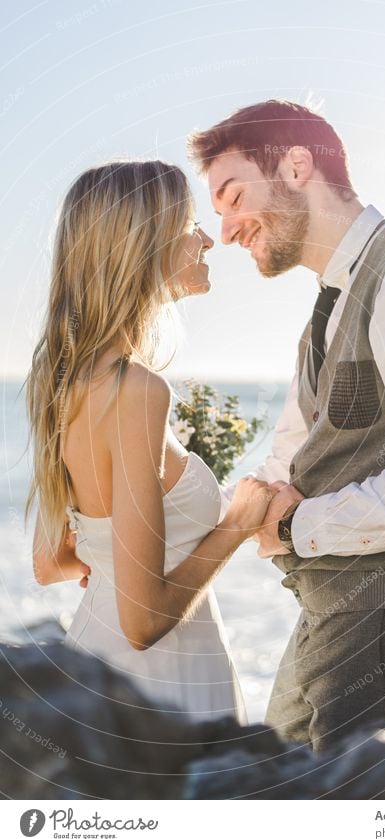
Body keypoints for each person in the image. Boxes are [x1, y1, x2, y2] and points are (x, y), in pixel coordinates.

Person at [189, 100, 385, 752]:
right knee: (278, 795)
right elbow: (290, 459)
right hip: (335, 618)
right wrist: (153, 538)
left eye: (233, 195)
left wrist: (295, 527)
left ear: (297, 166)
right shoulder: (325, 311)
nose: (224, 230)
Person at [25, 160, 272, 724]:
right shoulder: (135, 390)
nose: (206, 237)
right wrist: (239, 519)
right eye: (188, 224)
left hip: (98, 666)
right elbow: (143, 622)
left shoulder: (61, 379)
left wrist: (110, 560)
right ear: (143, 246)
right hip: (156, 690)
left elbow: (49, 561)